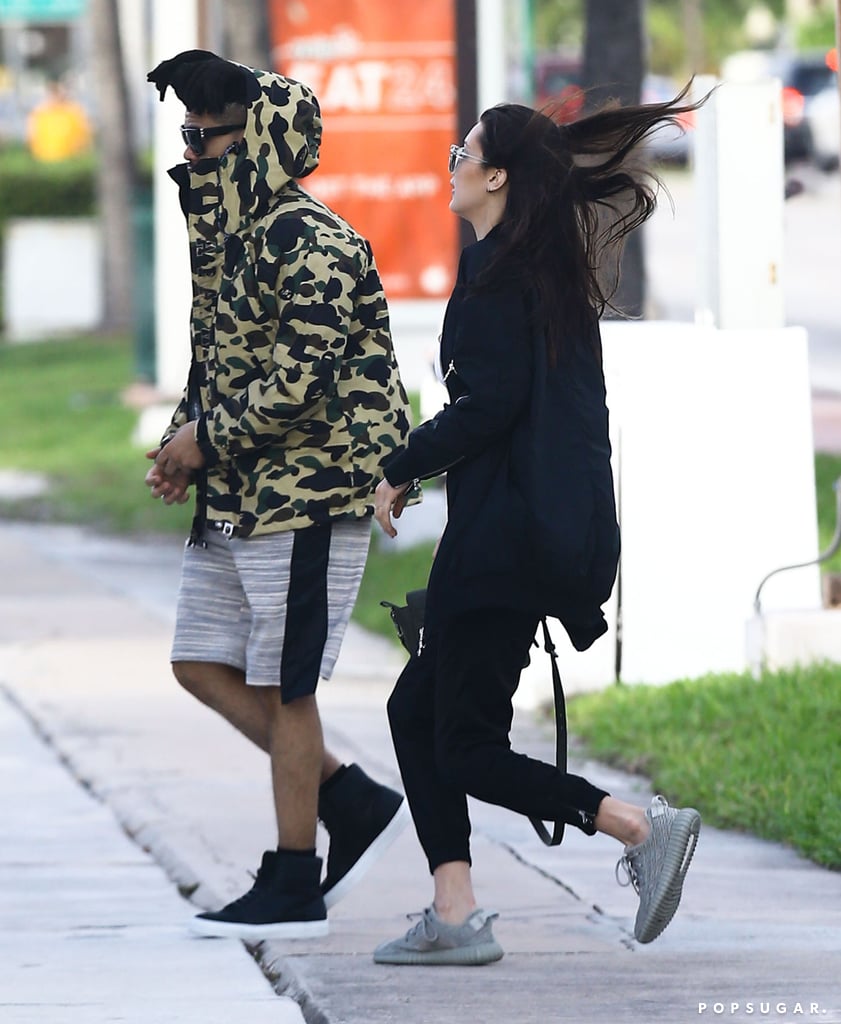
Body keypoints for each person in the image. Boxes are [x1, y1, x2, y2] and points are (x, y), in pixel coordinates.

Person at [371, 93, 703, 965]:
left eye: (463, 150)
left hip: (499, 548)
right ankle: (454, 911)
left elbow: (486, 408)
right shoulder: (532, 272)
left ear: (496, 176)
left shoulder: (504, 279)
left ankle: (636, 825)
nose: (452, 163)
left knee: (467, 745)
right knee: (417, 712)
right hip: (516, 536)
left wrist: (398, 466)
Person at [144, 50, 412, 941]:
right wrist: (183, 444)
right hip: (238, 494)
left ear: (256, 138)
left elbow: (297, 383)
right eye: (185, 134)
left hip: (309, 496)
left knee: (285, 687)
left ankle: (294, 879)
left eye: (205, 135)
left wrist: (203, 438)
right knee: (198, 662)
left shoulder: (315, 242)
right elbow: (215, 364)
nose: (192, 150)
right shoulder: (230, 240)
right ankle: (347, 794)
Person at [27, 79, 92, 163]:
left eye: (59, 91)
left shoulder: (75, 111)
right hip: (45, 160)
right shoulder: (39, 113)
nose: (57, 95)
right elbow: (31, 138)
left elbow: (85, 138)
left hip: (71, 159)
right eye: (54, 91)